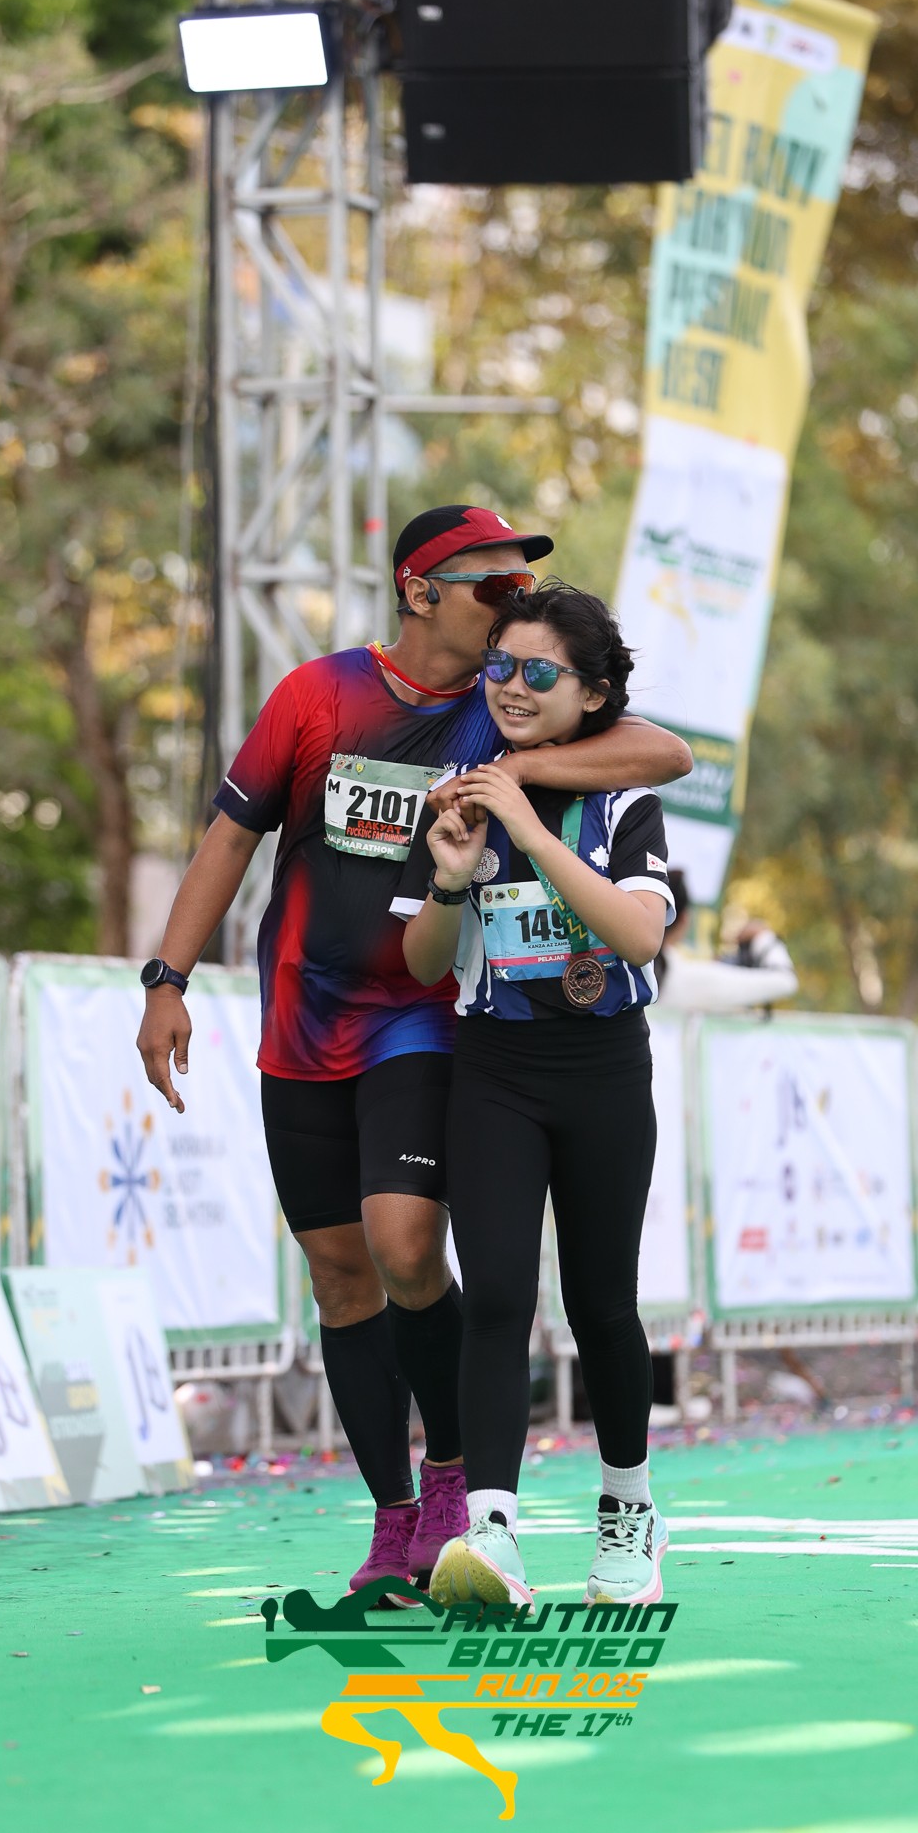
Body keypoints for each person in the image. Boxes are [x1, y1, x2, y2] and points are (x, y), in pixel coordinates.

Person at [136, 507, 692, 1596]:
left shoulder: (508, 711)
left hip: (437, 1023)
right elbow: (230, 835)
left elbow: (660, 753)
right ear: (419, 590)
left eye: (522, 595)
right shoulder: (318, 695)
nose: (511, 613)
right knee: (340, 1278)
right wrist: (168, 977)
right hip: (302, 1018)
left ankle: (462, 1490)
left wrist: (517, 790)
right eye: (493, 588)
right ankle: (396, 1520)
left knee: (405, 1248)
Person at [392, 580, 674, 1607]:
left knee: (601, 1303)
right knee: (499, 1297)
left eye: (538, 673)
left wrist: (529, 823)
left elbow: (637, 935)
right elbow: (425, 960)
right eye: (499, 667)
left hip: (604, 1073)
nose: (510, 687)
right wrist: (451, 877)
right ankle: (492, 1534)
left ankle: (629, 1518)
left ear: (592, 693)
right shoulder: (460, 797)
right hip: (494, 1073)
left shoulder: (624, 797)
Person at [653, 868, 797, 1013]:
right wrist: (763, 937)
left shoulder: (654, 969)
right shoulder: (684, 978)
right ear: (684, 919)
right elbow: (785, 981)